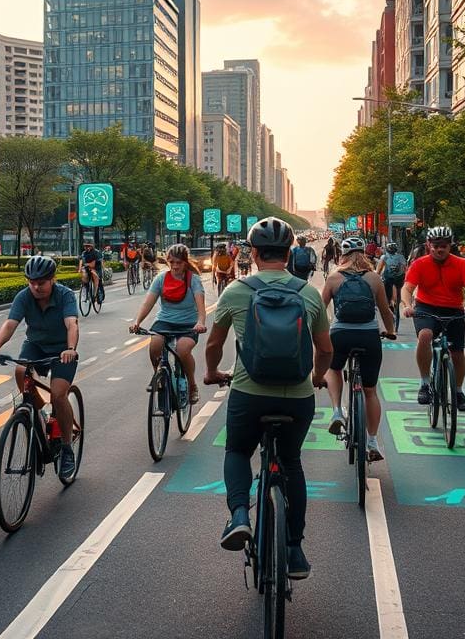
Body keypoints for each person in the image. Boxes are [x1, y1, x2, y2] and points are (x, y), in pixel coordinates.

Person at [205, 216, 332, 581]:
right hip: (298, 398)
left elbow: (213, 344)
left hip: (249, 393)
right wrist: (318, 377)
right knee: (291, 463)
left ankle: (241, 516)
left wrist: (213, 373)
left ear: (254, 253)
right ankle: (293, 549)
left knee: (237, 451)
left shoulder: (236, 291)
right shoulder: (307, 293)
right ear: (290, 252)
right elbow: (325, 349)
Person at [0, 255, 80, 479]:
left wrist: (70, 348)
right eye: (32, 282)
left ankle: (66, 447)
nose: (36, 287)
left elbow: (71, 323)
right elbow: (10, 324)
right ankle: (38, 411)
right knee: (19, 370)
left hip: (62, 350)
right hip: (35, 345)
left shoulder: (65, 295)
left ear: (52, 280)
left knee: (58, 394)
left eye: (42, 282)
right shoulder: (23, 297)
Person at [321, 237, 395, 457]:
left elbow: (320, 309)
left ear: (342, 255)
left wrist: (322, 332)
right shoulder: (374, 279)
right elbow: (385, 311)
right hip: (368, 336)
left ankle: (336, 412)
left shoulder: (333, 278)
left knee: (333, 369)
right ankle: (372, 442)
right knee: (370, 391)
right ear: (365, 254)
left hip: (340, 334)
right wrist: (390, 331)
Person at [400, 225, 465, 412]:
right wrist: (407, 305)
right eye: (436, 245)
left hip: (453, 310)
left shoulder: (461, 264)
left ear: (450, 245)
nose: (440, 249)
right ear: (429, 244)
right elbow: (407, 288)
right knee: (425, 336)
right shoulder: (420, 264)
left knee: (457, 352)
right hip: (426, 308)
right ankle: (424, 383)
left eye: (444, 245)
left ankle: (458, 390)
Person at [130, 243, 207, 405]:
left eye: (179, 263)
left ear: (185, 263)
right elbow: (148, 303)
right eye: (172, 262)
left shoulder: (194, 280)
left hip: (189, 324)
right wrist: (137, 321)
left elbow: (201, 305)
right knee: (155, 346)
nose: (175, 266)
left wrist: (200, 322)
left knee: (183, 350)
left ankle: (192, 385)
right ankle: (159, 377)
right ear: (167, 262)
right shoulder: (161, 279)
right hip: (164, 321)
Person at [376, 241, 407, 312]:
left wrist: (377, 275)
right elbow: (405, 268)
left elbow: (379, 269)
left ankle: (389, 304)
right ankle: (396, 303)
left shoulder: (384, 257)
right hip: (399, 279)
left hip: (388, 279)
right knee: (399, 291)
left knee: (386, 294)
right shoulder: (401, 257)